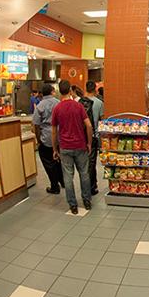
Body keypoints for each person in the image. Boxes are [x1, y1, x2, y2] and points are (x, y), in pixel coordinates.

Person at [52, 80, 93, 214]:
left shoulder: (57, 108)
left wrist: (54, 148)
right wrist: (89, 143)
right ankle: (87, 201)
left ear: (59, 91)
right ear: (70, 90)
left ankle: (73, 205)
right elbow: (89, 125)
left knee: (68, 177)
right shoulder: (78, 106)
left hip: (65, 147)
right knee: (84, 174)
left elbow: (54, 130)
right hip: (80, 145)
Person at [32, 84, 65, 194]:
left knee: (48, 163)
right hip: (59, 137)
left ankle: (54, 186)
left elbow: (36, 125)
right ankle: (63, 181)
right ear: (52, 91)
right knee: (59, 160)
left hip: (46, 137)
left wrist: (38, 139)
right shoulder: (58, 103)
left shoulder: (40, 106)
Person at [82, 81, 104, 195]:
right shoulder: (99, 103)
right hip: (94, 136)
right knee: (91, 163)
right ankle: (92, 186)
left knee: (82, 164)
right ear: (95, 89)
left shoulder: (79, 102)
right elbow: (101, 122)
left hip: (81, 136)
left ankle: (86, 186)